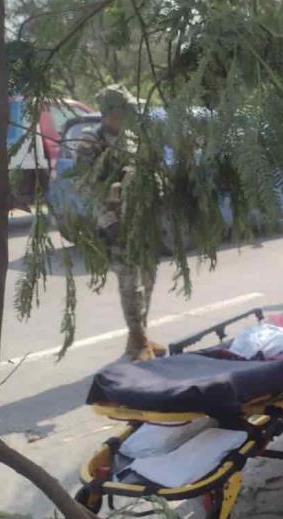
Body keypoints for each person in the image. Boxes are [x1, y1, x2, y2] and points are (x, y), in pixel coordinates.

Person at [75, 85, 164, 361]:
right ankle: (137, 340)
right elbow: (84, 187)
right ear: (111, 113)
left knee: (148, 278)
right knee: (129, 282)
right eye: (124, 110)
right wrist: (110, 214)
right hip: (115, 223)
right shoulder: (91, 143)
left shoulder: (132, 139)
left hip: (142, 221)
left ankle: (139, 335)